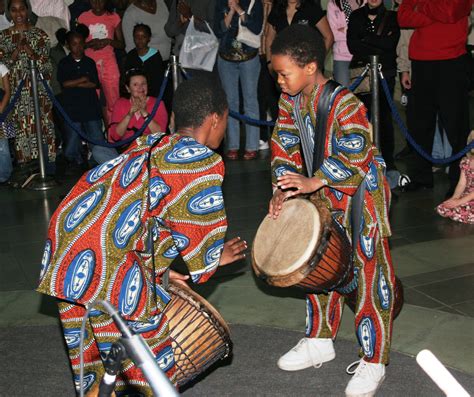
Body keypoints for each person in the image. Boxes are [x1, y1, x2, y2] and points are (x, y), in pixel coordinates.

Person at [36, 77, 247, 395]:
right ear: (217, 118)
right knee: (152, 369)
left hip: (67, 245)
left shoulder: (153, 143)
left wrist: (162, 271)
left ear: (175, 118)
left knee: (96, 363)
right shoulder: (201, 162)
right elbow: (202, 256)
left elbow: (140, 214)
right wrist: (215, 258)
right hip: (106, 262)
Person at [268, 24, 395, 397]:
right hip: (322, 193)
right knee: (317, 263)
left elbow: (357, 149)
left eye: (283, 73)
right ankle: (319, 339)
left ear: (309, 67)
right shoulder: (289, 100)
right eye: (276, 73)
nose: (279, 80)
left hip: (362, 196)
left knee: (370, 272)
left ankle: (374, 361)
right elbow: (284, 145)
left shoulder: (344, 102)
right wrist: (283, 187)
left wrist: (314, 180)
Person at [397, 0, 472, 195]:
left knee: (456, 125)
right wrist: (434, 11)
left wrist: (420, 6)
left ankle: (458, 181)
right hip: (421, 62)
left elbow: (450, 12)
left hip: (452, 62)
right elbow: (403, 17)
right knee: (419, 124)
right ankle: (421, 176)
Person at [0, 0, 56, 172]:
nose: (18, 14)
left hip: (39, 92)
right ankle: (27, 169)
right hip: (16, 94)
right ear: (9, 12)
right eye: (14, 10)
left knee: (44, 127)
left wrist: (31, 53)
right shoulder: (3, 37)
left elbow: (47, 66)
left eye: (22, 9)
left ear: (28, 11)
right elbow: (1, 67)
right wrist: (16, 52)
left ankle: (47, 167)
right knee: (22, 130)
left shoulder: (39, 35)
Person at [347, 0, 400, 172]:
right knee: (361, 118)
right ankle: (363, 162)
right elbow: (352, 45)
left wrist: (366, 37)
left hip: (385, 73)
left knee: (384, 119)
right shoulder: (356, 16)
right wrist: (378, 41)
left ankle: (388, 163)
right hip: (362, 74)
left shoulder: (392, 16)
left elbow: (390, 44)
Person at [58, 30, 118, 168]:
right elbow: (64, 84)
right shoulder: (64, 63)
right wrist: (83, 79)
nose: (78, 47)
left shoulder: (89, 62)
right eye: (74, 44)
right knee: (72, 140)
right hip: (72, 108)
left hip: (90, 106)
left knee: (96, 137)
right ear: (68, 45)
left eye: (80, 44)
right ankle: (74, 161)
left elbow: (94, 83)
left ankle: (97, 160)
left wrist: (75, 83)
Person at [214, 0, 264, 160]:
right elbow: (219, 31)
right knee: (230, 102)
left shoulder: (255, 2)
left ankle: (252, 145)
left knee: (250, 101)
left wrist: (238, 9)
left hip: (249, 56)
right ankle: (233, 145)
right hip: (226, 57)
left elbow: (256, 28)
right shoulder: (220, 3)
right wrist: (230, 12)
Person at [78, 0, 125, 123]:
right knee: (91, 101)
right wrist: (89, 44)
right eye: (94, 1)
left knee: (113, 100)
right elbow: (77, 45)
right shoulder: (83, 17)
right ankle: (96, 133)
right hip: (89, 64)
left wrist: (108, 41)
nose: (97, 3)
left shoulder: (113, 17)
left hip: (108, 62)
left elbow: (121, 44)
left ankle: (115, 132)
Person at [109, 68, 168, 145]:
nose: (140, 87)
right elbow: (115, 136)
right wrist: (129, 115)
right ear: (128, 88)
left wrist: (144, 113)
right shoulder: (120, 103)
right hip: (127, 150)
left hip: (149, 148)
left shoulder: (158, 103)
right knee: (99, 149)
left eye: (143, 84)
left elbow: (161, 134)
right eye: (135, 84)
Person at [436, 131, 474, 224]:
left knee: (462, 209)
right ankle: (463, 213)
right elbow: (461, 184)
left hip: (470, 196)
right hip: (467, 196)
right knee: (442, 207)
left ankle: (465, 213)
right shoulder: (466, 162)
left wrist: (459, 202)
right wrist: (455, 198)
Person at [327, 0, 364, 87]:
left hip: (363, 54)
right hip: (342, 56)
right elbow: (333, 34)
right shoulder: (333, 4)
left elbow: (367, 31)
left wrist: (343, 30)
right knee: (344, 94)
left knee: (363, 94)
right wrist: (355, 32)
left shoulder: (365, 2)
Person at [122, 23, 165, 98]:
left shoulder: (155, 56)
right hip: (135, 95)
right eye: (137, 36)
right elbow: (127, 78)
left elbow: (158, 81)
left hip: (152, 95)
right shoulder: (131, 56)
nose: (140, 39)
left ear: (149, 38)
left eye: (143, 37)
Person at [0, 61, 13, 185]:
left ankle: (4, 175)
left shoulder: (1, 67)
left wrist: (0, 109)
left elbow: (8, 91)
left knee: (2, 146)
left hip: (2, 111)